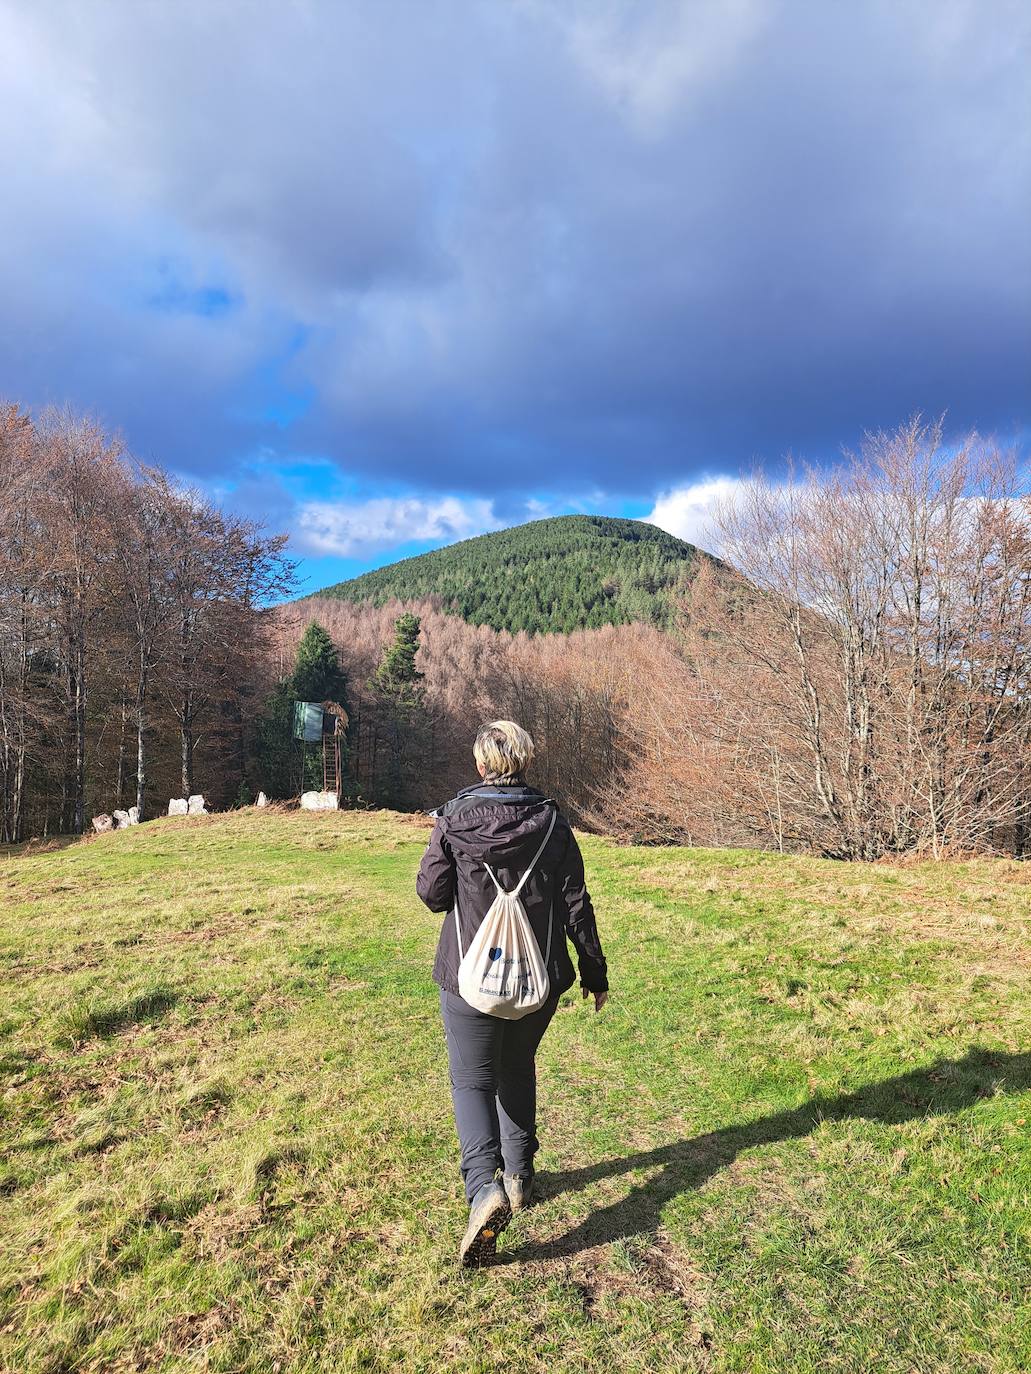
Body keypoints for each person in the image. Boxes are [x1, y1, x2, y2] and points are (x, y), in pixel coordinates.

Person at [416, 720, 609, 1267]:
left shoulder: (453, 819)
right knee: (517, 1068)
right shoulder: (551, 822)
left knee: (472, 1080)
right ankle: (520, 1175)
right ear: (524, 761)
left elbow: (432, 894)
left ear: (481, 764)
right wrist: (594, 973)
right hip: (537, 977)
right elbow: (576, 904)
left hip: (468, 978)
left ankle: (484, 1187)